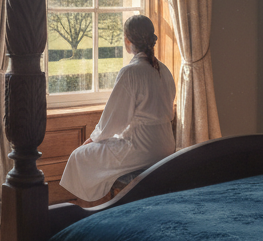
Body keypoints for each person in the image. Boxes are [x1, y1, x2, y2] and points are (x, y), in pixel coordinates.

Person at [60, 15, 176, 202]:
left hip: (142, 149)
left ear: (127, 41)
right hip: (166, 146)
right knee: (102, 149)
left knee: (79, 155)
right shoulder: (164, 69)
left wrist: (93, 138)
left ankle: (93, 210)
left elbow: (113, 121)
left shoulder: (130, 72)